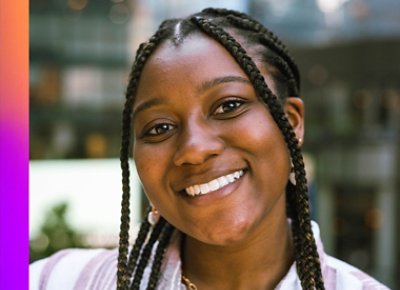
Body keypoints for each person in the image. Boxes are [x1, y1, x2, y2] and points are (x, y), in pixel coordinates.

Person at [30, 8, 390, 290]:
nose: (194, 150)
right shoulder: (53, 282)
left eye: (228, 106)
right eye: (160, 128)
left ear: (291, 122)